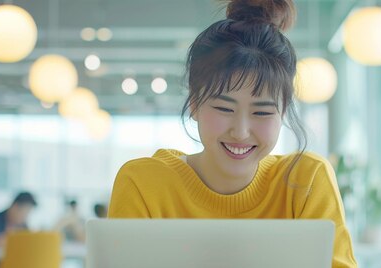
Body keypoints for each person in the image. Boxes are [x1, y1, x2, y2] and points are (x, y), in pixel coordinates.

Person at [107, 0, 357, 267]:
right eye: (224, 108)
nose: (240, 132)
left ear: (283, 112)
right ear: (194, 104)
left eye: (261, 113)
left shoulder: (306, 181)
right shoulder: (144, 185)